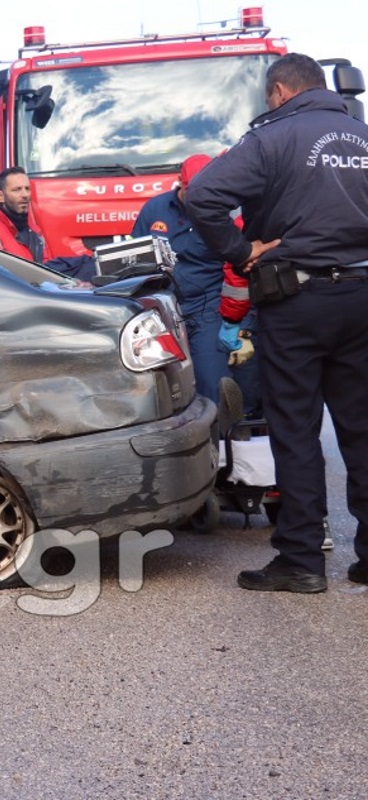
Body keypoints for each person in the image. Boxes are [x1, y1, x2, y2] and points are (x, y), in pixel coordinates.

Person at [184, 52, 368, 593]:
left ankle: (301, 561)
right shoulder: (361, 135)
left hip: (297, 300)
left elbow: (203, 195)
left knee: (295, 429)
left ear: (281, 92)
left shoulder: (272, 137)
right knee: (362, 430)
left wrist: (241, 252)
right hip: (362, 296)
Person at [131, 154, 232, 406]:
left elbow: (237, 268)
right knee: (161, 390)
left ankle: (219, 440)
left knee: (212, 383)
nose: (198, 196)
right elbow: (131, 262)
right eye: (191, 190)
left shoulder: (221, 213)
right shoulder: (154, 210)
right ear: (179, 183)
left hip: (207, 309)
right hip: (162, 312)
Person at [0, 166, 96, 279]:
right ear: (1, 196)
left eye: (27, 189)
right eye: (17, 190)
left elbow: (46, 269)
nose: (25, 195)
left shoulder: (34, 230)